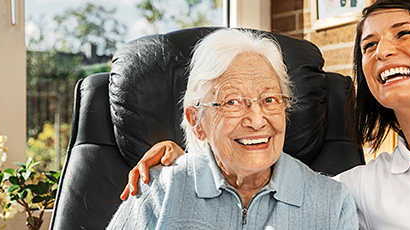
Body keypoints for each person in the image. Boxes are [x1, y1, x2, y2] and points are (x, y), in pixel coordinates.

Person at [123, 0, 410, 229]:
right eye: (368, 46)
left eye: (404, 33)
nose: (383, 51)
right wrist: (191, 155)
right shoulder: (359, 188)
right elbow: (276, 183)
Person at [107, 28, 358, 229]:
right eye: (232, 102)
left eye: (270, 99)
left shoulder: (332, 204)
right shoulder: (161, 190)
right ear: (196, 122)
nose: (257, 120)